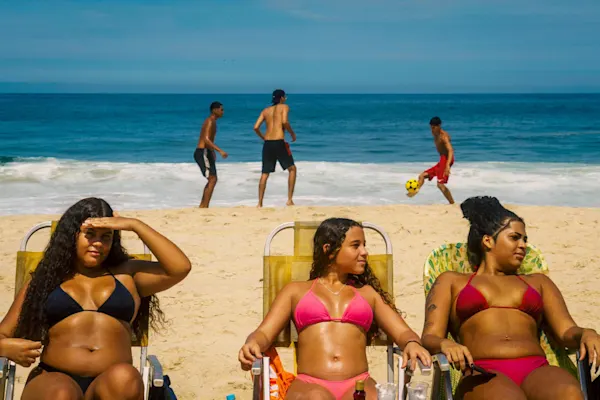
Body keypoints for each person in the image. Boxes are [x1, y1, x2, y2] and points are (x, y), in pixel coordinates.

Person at [0, 197, 192, 399]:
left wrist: (135, 225)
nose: (98, 244)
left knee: (124, 378)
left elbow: (180, 267)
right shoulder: (46, 279)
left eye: (106, 236)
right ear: (71, 236)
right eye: (90, 235)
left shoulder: (129, 275)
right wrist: (5, 347)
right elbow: (3, 334)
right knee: (62, 393)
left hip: (110, 383)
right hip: (52, 378)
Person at [421, 196, 600, 400]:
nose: (523, 245)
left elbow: (565, 330)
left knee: (569, 394)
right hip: (483, 371)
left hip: (536, 369)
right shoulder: (452, 281)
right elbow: (429, 336)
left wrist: (586, 333)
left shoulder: (538, 282)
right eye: (515, 237)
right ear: (488, 240)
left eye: (525, 239)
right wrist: (445, 344)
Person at [238, 218, 431, 399]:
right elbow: (264, 333)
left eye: (364, 245)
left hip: (359, 382)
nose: (364, 252)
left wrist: (412, 342)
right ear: (329, 250)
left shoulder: (368, 294)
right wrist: (252, 343)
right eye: (356, 245)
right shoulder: (295, 291)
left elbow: (402, 331)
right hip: (310, 384)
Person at [253, 89, 297, 208]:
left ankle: (259, 203)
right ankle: (289, 200)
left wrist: (264, 137)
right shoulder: (284, 107)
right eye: (285, 97)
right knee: (292, 169)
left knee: (265, 173)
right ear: (282, 98)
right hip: (279, 142)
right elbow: (284, 121)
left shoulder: (265, 110)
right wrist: (292, 133)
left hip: (267, 143)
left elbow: (256, 127)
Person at [407, 116, 455, 204]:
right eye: (431, 127)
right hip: (442, 160)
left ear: (439, 126)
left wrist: (447, 165)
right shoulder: (435, 134)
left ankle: (452, 203)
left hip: (447, 159)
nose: (432, 130)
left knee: (440, 184)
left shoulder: (444, 137)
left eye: (434, 127)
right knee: (422, 176)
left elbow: (450, 150)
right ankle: (414, 191)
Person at [194, 101, 228, 208]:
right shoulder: (209, 121)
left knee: (213, 179)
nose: (223, 112)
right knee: (212, 179)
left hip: (207, 152)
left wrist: (212, 152)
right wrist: (219, 150)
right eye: (221, 109)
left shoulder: (213, 121)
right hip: (202, 151)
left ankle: (203, 205)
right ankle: (204, 206)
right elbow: (206, 139)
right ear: (215, 110)